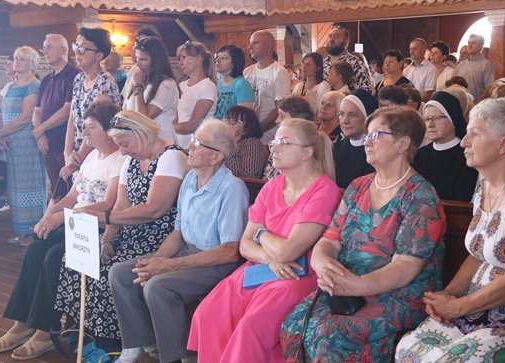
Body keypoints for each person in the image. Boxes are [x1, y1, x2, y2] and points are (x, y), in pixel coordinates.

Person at [395, 98, 505, 362]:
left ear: (504, 144)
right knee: (410, 348)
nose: (464, 142)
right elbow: (478, 253)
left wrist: (460, 306)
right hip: (482, 301)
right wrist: (449, 294)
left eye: (475, 134)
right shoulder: (486, 186)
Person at [282, 107, 446, 362]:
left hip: (399, 292)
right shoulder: (358, 186)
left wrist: (357, 284)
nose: (367, 141)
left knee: (330, 337)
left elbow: (406, 267)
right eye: (367, 135)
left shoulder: (420, 196)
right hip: (348, 285)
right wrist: (323, 265)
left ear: (403, 144)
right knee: (294, 324)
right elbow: (329, 240)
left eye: (376, 135)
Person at [188, 118, 342, 362]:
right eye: (275, 142)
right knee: (208, 313)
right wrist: (268, 259)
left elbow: (288, 252)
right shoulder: (272, 187)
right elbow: (245, 245)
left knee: (251, 326)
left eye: (284, 143)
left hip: (297, 275)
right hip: (262, 267)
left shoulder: (324, 190)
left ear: (307, 152)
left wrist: (260, 234)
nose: (274, 148)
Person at [0, 101, 125, 360]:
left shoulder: (120, 160)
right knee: (35, 250)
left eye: (91, 127)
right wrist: (48, 216)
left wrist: (62, 217)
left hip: (97, 228)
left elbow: (109, 204)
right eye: (84, 126)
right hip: (74, 222)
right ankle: (22, 323)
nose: (84, 132)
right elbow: (72, 196)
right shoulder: (92, 157)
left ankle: (45, 333)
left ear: (109, 131)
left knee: (55, 257)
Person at [110, 120, 249, 363]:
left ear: (216, 157)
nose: (190, 146)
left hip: (216, 263)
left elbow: (229, 251)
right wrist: (153, 263)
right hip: (187, 252)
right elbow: (178, 234)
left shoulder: (232, 188)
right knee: (121, 273)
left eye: (198, 143)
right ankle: (144, 343)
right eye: (192, 139)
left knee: (158, 287)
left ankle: (179, 357)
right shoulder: (190, 179)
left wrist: (169, 265)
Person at [54, 110, 188, 342]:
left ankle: (122, 342)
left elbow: (154, 209)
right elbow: (121, 205)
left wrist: (104, 218)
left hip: (160, 236)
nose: (123, 151)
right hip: (129, 232)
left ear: (141, 134)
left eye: (125, 144)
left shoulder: (171, 156)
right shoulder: (131, 160)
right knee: (76, 261)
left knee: (106, 274)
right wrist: (107, 240)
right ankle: (86, 335)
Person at [0, 46, 47, 243]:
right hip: (12, 142)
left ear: (32, 64)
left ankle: (35, 231)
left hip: (26, 142)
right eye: (16, 58)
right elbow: (2, 113)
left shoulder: (34, 86)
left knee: (30, 186)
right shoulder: (11, 85)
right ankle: (22, 229)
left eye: (22, 59)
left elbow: (25, 118)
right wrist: (1, 135)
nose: (16, 62)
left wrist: (1, 133)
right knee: (15, 188)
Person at [63, 27, 122, 181]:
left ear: (99, 55)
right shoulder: (78, 79)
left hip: (96, 154)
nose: (77, 52)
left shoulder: (105, 83)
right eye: (76, 46)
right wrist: (67, 152)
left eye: (83, 48)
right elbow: (72, 117)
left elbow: (95, 126)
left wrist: (78, 157)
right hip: (77, 155)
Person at [33, 34, 80, 199]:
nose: (45, 52)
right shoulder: (47, 79)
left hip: (65, 144)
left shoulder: (74, 75)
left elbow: (67, 110)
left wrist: (40, 130)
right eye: (44, 48)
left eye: (49, 47)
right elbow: (36, 111)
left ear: (63, 50)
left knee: (70, 191)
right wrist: (41, 136)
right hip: (47, 144)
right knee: (56, 191)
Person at [412, 91, 478, 202]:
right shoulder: (419, 154)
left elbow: (463, 200)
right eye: (427, 119)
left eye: (437, 118)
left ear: (452, 120)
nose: (430, 124)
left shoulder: (467, 156)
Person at [125, 36, 181, 143]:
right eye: (137, 59)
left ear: (156, 61)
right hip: (140, 141)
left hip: (160, 140)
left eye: (143, 59)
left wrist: (138, 86)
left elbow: (144, 118)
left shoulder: (167, 85)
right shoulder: (141, 80)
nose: (137, 64)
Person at [244, 30, 291, 144]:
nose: (250, 47)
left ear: (269, 46)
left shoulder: (279, 72)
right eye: (250, 43)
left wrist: (258, 130)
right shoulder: (247, 71)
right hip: (247, 133)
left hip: (267, 136)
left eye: (255, 43)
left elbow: (280, 107)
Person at [174, 40, 217, 148]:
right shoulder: (181, 85)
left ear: (198, 58)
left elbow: (192, 125)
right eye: (179, 59)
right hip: (178, 143)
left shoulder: (207, 86)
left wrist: (165, 128)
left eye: (184, 57)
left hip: (197, 145)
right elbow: (176, 118)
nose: (180, 63)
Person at [262, 95, 315, 180]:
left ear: (299, 119)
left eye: (282, 116)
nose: (276, 120)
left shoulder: (310, 149)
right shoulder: (276, 147)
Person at [333, 89, 378, 189]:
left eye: (353, 115)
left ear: (368, 118)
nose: (344, 121)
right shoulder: (335, 148)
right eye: (342, 114)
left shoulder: (376, 152)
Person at [223, 105, 269, 179]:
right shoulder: (221, 142)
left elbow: (250, 177)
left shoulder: (252, 144)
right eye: (227, 117)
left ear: (246, 128)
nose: (227, 122)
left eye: (233, 119)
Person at [322, 25, 371, 92]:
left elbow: (365, 91)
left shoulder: (355, 62)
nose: (331, 40)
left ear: (346, 42)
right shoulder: (323, 64)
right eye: (330, 36)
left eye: (336, 36)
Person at [214, 44, 254, 119]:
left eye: (223, 57)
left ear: (234, 63)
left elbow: (243, 116)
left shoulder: (242, 84)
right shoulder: (215, 84)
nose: (217, 60)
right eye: (217, 56)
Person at [455, 34, 495, 101]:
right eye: (469, 43)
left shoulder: (487, 65)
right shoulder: (460, 65)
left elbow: (489, 88)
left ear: (481, 46)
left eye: (473, 43)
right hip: (460, 103)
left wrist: (476, 104)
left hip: (477, 104)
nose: (470, 45)